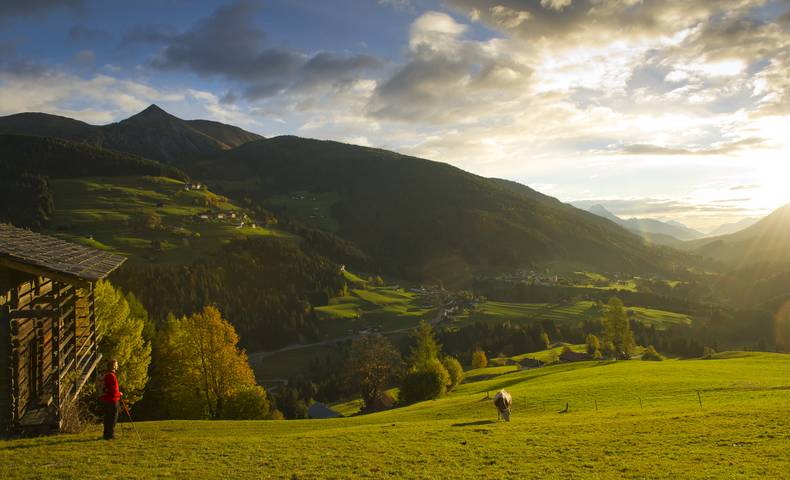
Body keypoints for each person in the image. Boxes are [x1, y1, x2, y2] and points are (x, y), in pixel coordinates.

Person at [100, 358, 123, 440]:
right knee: (112, 418)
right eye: (116, 364)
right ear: (113, 366)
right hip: (112, 400)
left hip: (106, 400)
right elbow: (113, 390)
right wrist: (119, 394)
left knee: (107, 418)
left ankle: (106, 435)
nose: (117, 366)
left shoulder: (106, 375)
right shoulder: (111, 376)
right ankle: (110, 435)